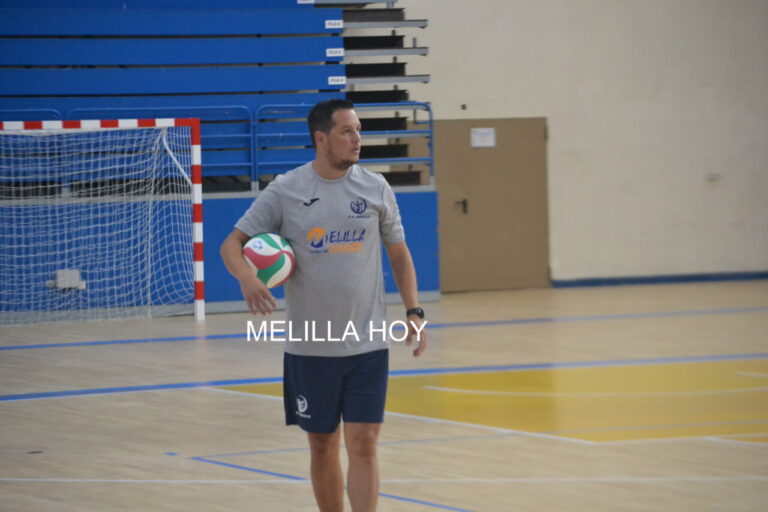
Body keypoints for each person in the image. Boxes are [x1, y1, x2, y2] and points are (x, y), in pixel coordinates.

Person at [220, 99, 427, 511]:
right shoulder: (286, 190)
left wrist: (414, 311)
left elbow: (399, 254)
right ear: (321, 138)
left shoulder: (375, 188)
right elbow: (232, 244)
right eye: (347, 131)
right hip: (310, 348)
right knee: (323, 445)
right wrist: (247, 278)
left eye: (359, 130)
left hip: (367, 344)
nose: (357, 140)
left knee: (365, 444)